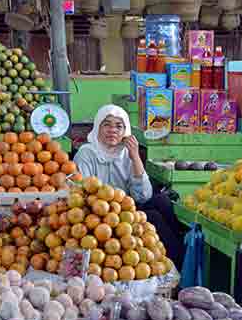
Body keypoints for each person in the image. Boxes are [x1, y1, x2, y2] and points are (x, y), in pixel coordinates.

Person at [73, 104, 183, 268]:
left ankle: (183, 256)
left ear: (125, 131)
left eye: (119, 126)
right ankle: (178, 263)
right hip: (98, 215)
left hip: (126, 209)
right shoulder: (86, 153)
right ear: (98, 127)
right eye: (107, 125)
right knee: (153, 218)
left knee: (162, 202)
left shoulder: (126, 153)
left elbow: (143, 196)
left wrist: (135, 157)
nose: (113, 130)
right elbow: (83, 193)